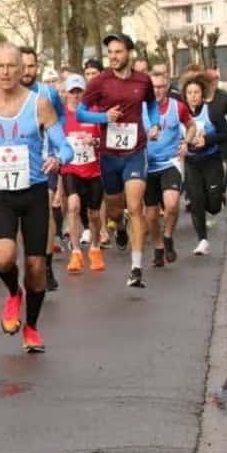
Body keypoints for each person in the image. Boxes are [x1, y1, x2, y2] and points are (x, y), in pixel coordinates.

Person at [0, 43, 72, 353]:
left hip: (34, 192)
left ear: (21, 69)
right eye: (0, 66)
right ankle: (14, 293)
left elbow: (64, 146)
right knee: (4, 257)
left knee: (36, 268)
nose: (6, 72)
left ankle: (32, 327)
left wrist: (58, 159)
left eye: (12, 66)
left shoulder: (39, 104)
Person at [78, 32, 160, 288]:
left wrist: (155, 124)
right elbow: (80, 113)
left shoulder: (143, 80)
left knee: (135, 205)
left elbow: (152, 105)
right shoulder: (99, 82)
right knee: (114, 208)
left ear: (129, 53)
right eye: (110, 52)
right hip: (109, 154)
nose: (113, 57)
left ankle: (136, 268)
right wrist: (103, 118)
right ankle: (120, 226)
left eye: (118, 52)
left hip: (135, 150)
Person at [19, 47, 65, 290]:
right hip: (15, 164)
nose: (27, 71)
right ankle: (31, 260)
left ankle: (46, 267)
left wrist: (58, 151)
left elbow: (61, 119)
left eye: (31, 66)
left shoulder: (48, 93)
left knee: (45, 213)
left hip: (44, 161)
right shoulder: (6, 95)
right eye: (23, 66)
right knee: (23, 220)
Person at [144, 72, 194, 266]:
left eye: (161, 87)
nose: (157, 91)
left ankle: (168, 237)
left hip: (170, 162)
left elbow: (191, 126)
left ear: (167, 88)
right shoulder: (141, 108)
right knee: (151, 214)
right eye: (153, 87)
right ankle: (158, 246)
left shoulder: (177, 106)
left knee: (172, 204)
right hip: (147, 165)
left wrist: (186, 142)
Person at [59, 75, 106, 274]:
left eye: (79, 91)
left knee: (94, 214)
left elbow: (105, 140)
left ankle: (95, 248)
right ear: (66, 93)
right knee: (73, 205)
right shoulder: (61, 115)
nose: (76, 95)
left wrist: (94, 142)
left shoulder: (94, 113)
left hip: (93, 170)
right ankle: (76, 252)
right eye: (72, 91)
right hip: (71, 169)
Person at [182, 72, 227, 255]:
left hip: (211, 160)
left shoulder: (212, 111)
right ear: (185, 95)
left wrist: (207, 140)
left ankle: (218, 199)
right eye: (189, 93)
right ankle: (202, 240)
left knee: (213, 205)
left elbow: (225, 133)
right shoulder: (181, 113)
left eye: (196, 92)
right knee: (196, 199)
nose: (193, 96)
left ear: (202, 94)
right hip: (192, 162)